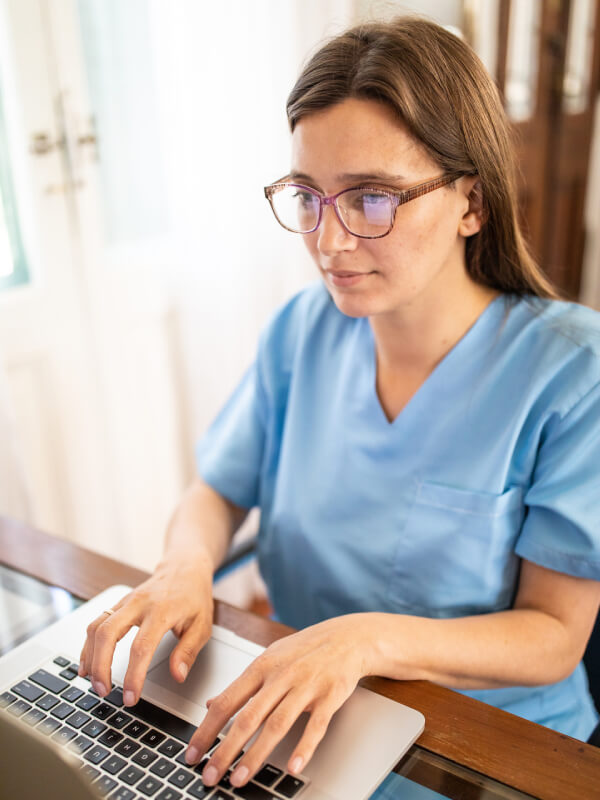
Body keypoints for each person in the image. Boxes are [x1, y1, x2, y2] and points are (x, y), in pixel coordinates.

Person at [79, 15, 600, 796]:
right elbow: (217, 491)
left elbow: (554, 636)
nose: (329, 242)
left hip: (486, 750)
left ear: (472, 203)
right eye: (308, 197)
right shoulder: (302, 332)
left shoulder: (571, 372)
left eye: (372, 199)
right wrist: (185, 567)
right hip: (301, 724)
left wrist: (362, 642)